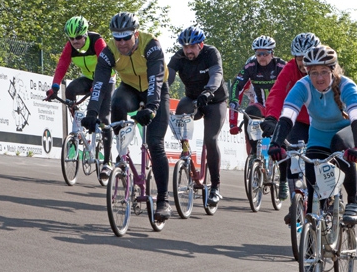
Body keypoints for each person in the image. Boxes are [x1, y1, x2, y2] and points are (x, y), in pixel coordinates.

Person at [80, 12, 172, 220]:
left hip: (156, 90)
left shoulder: (151, 45)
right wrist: (91, 112)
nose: (121, 42)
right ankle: (121, 158)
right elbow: (100, 84)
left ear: (136, 34)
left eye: (125, 37)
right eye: (116, 37)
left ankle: (164, 200)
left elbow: (156, 79)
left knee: (155, 144)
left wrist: (152, 108)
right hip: (129, 88)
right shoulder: (109, 51)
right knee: (117, 103)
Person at [268, 45, 357, 225]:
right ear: (307, 72)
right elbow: (287, 116)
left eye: (324, 71)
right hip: (319, 134)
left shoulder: (347, 85)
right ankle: (313, 223)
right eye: (313, 72)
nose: (319, 78)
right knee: (313, 175)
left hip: (352, 132)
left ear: (333, 70)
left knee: (339, 143)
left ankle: (353, 201)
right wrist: (275, 143)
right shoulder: (303, 86)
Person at [260, 33, 321, 221]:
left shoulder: (325, 67)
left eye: (306, 58)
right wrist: (271, 117)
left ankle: (332, 197)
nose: (303, 64)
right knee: (293, 154)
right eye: (299, 58)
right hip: (299, 120)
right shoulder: (289, 68)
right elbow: (277, 93)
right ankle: (296, 201)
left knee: (323, 159)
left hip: (322, 122)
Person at [168, 26, 229, 206]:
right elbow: (167, 78)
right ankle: (186, 153)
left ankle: (216, 187)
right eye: (185, 47)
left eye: (192, 47)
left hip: (214, 100)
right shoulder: (178, 57)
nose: (188, 51)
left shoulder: (211, 53)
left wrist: (209, 91)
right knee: (180, 111)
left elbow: (216, 74)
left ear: (200, 45)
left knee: (210, 139)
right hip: (193, 98)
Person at [229, 35, 286, 197]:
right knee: (250, 112)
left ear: (272, 53)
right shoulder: (251, 66)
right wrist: (233, 101)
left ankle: (283, 181)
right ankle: (255, 154)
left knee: (282, 145)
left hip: (281, 108)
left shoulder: (281, 66)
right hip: (262, 107)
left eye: (265, 53)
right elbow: (236, 85)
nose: (261, 57)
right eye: (258, 53)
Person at [45, 16, 115, 116]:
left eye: (78, 37)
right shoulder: (70, 46)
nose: (74, 41)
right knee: (70, 90)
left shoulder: (97, 41)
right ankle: (77, 121)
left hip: (106, 79)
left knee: (103, 117)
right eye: (71, 38)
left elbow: (106, 67)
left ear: (85, 34)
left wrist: (97, 85)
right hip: (88, 78)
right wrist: (55, 87)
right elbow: (62, 66)